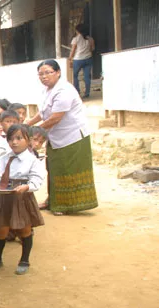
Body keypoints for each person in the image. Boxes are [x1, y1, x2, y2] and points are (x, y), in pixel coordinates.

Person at [25, 60, 98, 215]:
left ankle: (66, 205)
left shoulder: (64, 90)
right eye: (41, 74)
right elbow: (44, 112)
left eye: (48, 72)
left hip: (72, 137)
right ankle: (52, 200)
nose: (44, 77)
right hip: (56, 136)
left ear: (58, 72)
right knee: (53, 168)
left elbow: (56, 117)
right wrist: (27, 124)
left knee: (68, 169)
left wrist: (33, 131)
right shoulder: (47, 90)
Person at [0, 125, 45, 275]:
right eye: (10, 139)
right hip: (4, 197)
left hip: (22, 197)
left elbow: (37, 179)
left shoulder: (32, 160)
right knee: (1, 230)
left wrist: (27, 187)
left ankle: (24, 260)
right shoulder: (4, 157)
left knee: (24, 229)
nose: (14, 142)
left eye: (19, 138)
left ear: (29, 140)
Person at [69, 23, 95, 99]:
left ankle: (77, 92)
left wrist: (70, 58)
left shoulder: (75, 39)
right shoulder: (90, 39)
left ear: (78, 31)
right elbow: (92, 49)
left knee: (74, 76)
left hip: (78, 60)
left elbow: (73, 51)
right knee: (87, 76)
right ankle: (87, 93)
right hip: (88, 59)